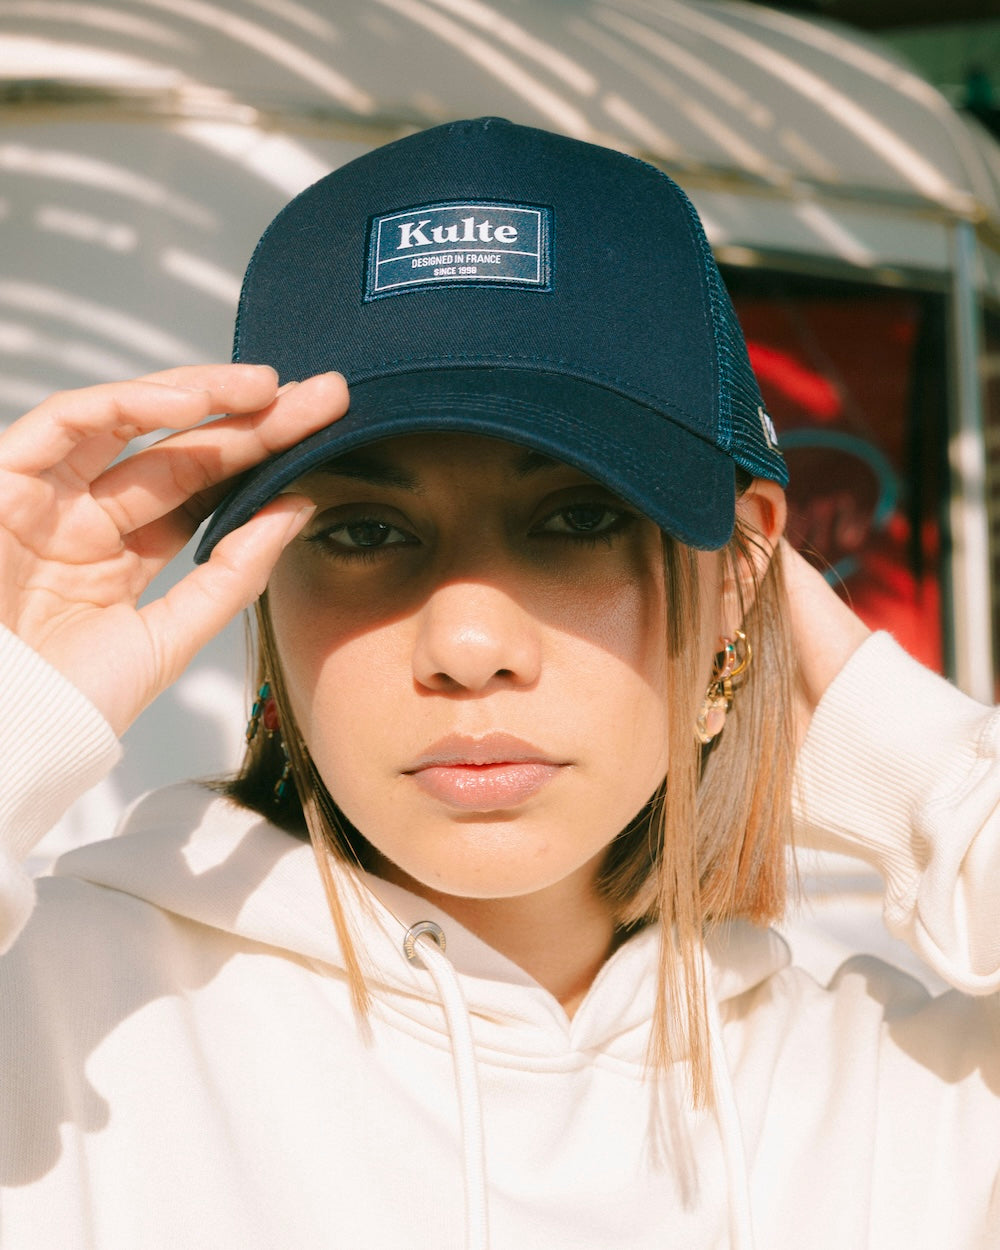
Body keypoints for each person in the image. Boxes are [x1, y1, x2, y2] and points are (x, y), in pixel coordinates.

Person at [0, 117, 997, 1250]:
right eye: (364, 531)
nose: (469, 643)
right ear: (263, 586)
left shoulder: (898, 1108)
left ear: (739, 567)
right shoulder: (54, 1030)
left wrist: (927, 771)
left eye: (577, 519)